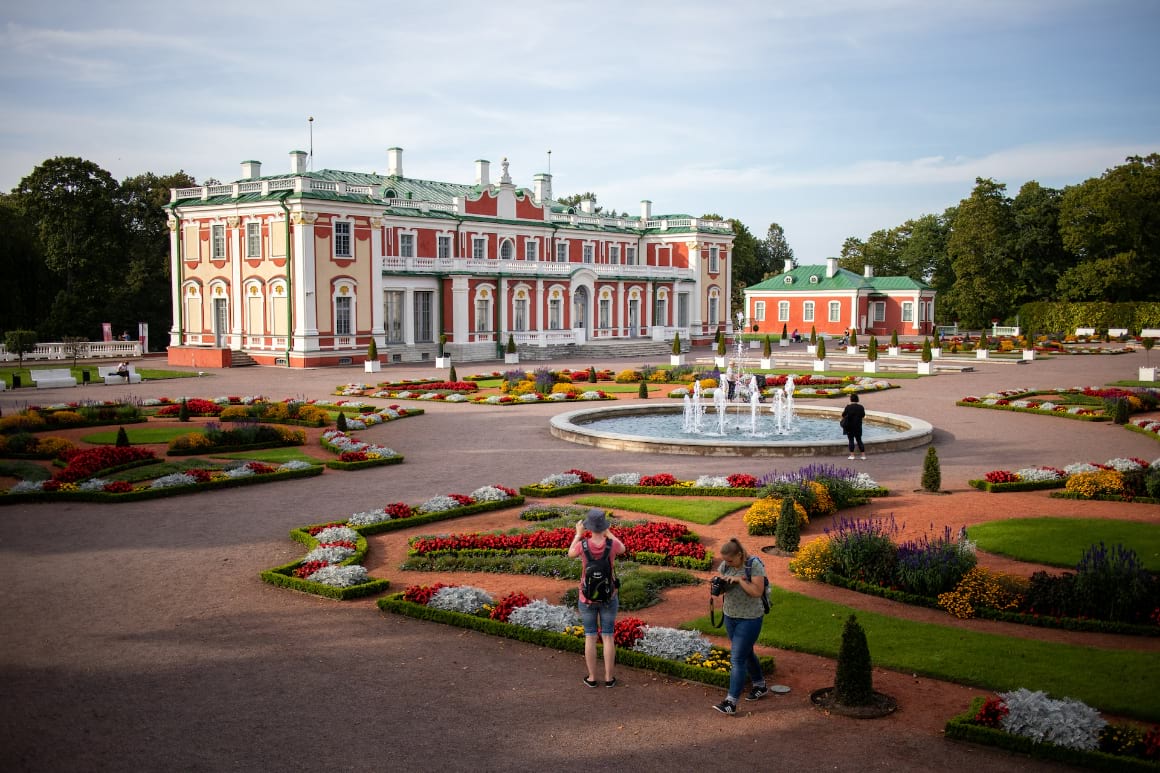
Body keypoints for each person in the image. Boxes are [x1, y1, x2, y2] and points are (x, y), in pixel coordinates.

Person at [568, 508, 626, 688]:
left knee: (590, 636)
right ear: (604, 526)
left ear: (588, 527)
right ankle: (609, 678)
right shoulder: (612, 545)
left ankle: (592, 677)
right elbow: (623, 548)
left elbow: (570, 553)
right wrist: (609, 533)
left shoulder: (583, 545)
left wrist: (578, 535)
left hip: (586, 597)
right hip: (609, 596)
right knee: (608, 636)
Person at [711, 538, 769, 715]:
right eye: (725, 560)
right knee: (746, 653)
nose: (726, 564)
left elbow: (757, 592)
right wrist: (718, 586)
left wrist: (739, 580)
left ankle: (731, 702)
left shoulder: (754, 565)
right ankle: (760, 685)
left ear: (739, 555)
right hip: (730, 616)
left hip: (750, 618)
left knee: (737, 659)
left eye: (730, 560)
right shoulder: (726, 565)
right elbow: (721, 591)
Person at [841, 393, 866, 460]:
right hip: (858, 426)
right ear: (857, 399)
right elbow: (863, 415)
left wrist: (847, 405)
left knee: (851, 440)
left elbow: (843, 415)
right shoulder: (861, 407)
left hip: (850, 426)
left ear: (851, 399)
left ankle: (852, 455)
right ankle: (863, 455)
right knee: (859, 440)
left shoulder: (848, 407)